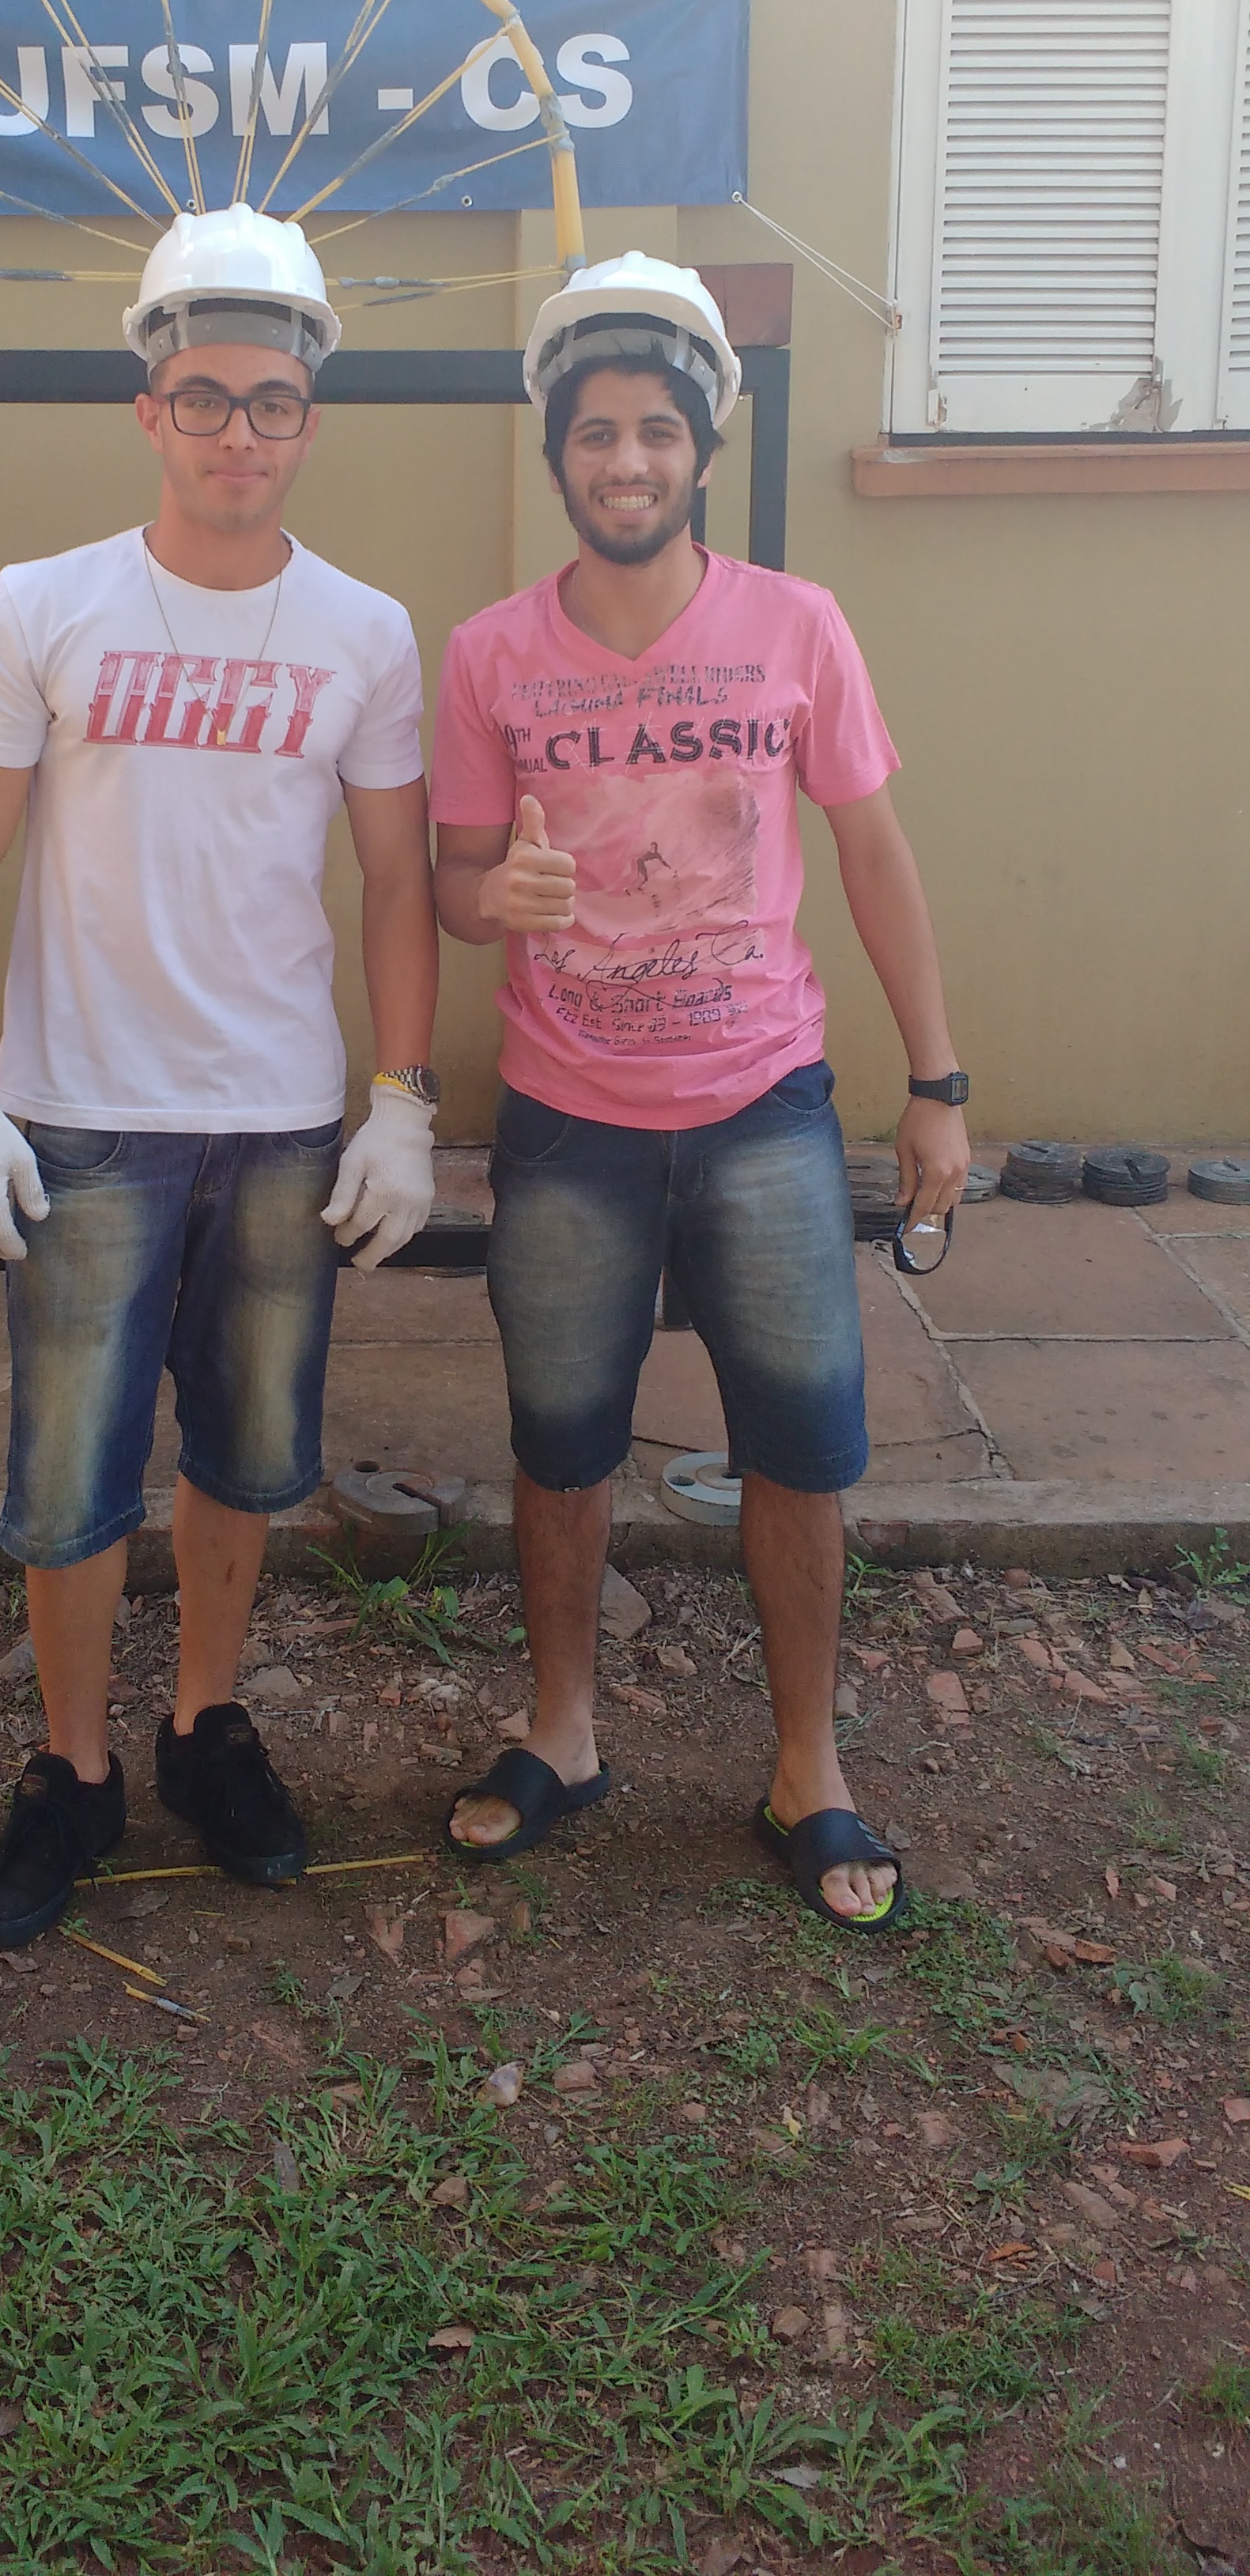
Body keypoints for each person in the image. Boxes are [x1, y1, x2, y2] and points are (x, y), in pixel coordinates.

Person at [0, 203, 441, 1949]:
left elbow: (395, 879)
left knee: (246, 1450)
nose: (238, 432)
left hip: (279, 1120)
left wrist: (403, 1098)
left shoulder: (364, 631)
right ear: (148, 407)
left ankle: (207, 1723)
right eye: (205, 397)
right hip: (83, 1112)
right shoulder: (41, 605)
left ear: (310, 421)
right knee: (73, 1472)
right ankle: (71, 1769)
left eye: (271, 401)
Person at [430, 255, 969, 1930]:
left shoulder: (797, 627)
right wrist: (491, 899)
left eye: (657, 430)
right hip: (570, 1121)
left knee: (801, 1448)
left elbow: (873, 854)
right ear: (557, 455)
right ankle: (564, 1729)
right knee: (562, 1442)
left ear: (707, 449)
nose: (627, 461)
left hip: (762, 1110)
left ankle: (809, 1763)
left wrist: (938, 1081)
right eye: (596, 433)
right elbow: (450, 880)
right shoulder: (489, 656)